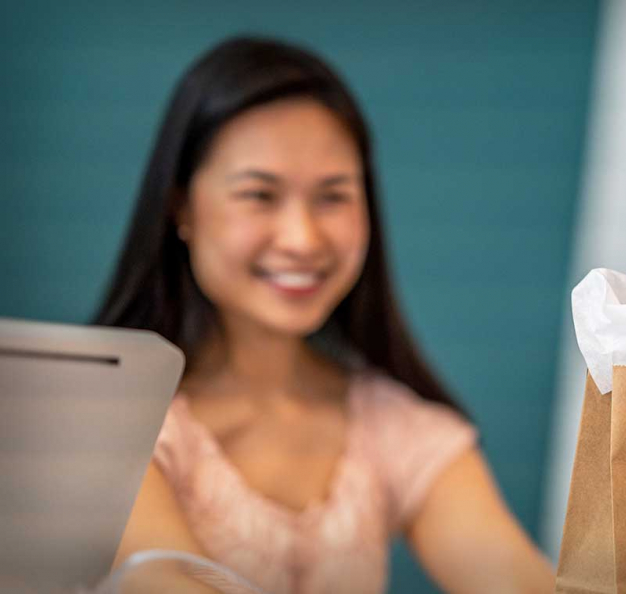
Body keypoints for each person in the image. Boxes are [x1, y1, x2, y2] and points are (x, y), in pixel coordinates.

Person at [94, 36, 555, 594]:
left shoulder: (396, 429)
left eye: (333, 196)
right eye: (260, 195)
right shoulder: (108, 422)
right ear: (181, 208)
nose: (302, 238)